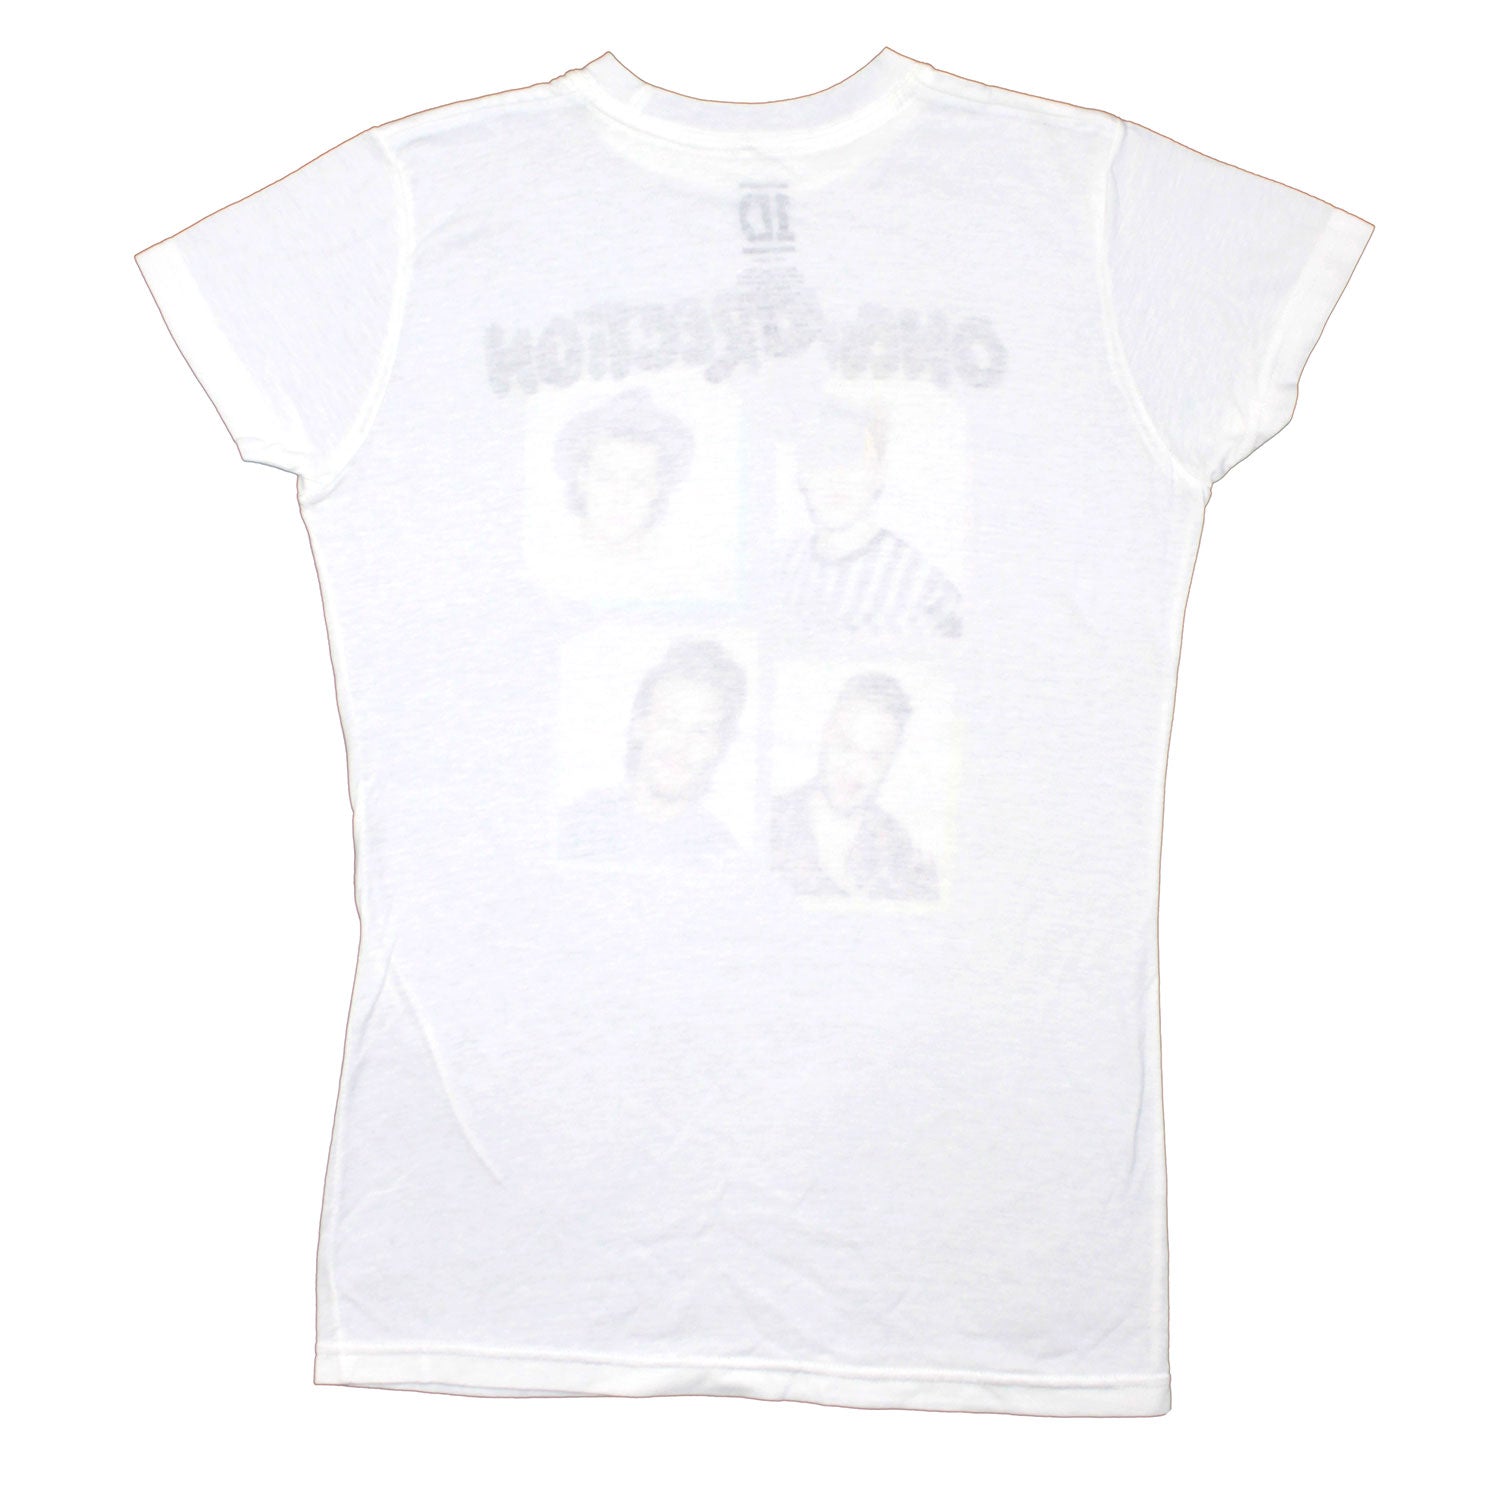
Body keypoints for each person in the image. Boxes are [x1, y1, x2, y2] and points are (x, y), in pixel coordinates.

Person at [776, 399, 962, 637]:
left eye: (853, 460)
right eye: (821, 461)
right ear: (801, 475)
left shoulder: (921, 582)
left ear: (878, 475)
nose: (836, 477)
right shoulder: (784, 566)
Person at [559, 637, 748, 868]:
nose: (681, 745)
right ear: (639, 724)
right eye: (669, 722)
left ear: (719, 745)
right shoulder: (573, 830)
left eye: (701, 730)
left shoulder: (725, 861)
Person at [770, 671, 940, 900]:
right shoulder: (770, 821)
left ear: (891, 761)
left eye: (874, 757)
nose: (854, 769)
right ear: (826, 734)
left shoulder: (901, 852)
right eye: (846, 746)